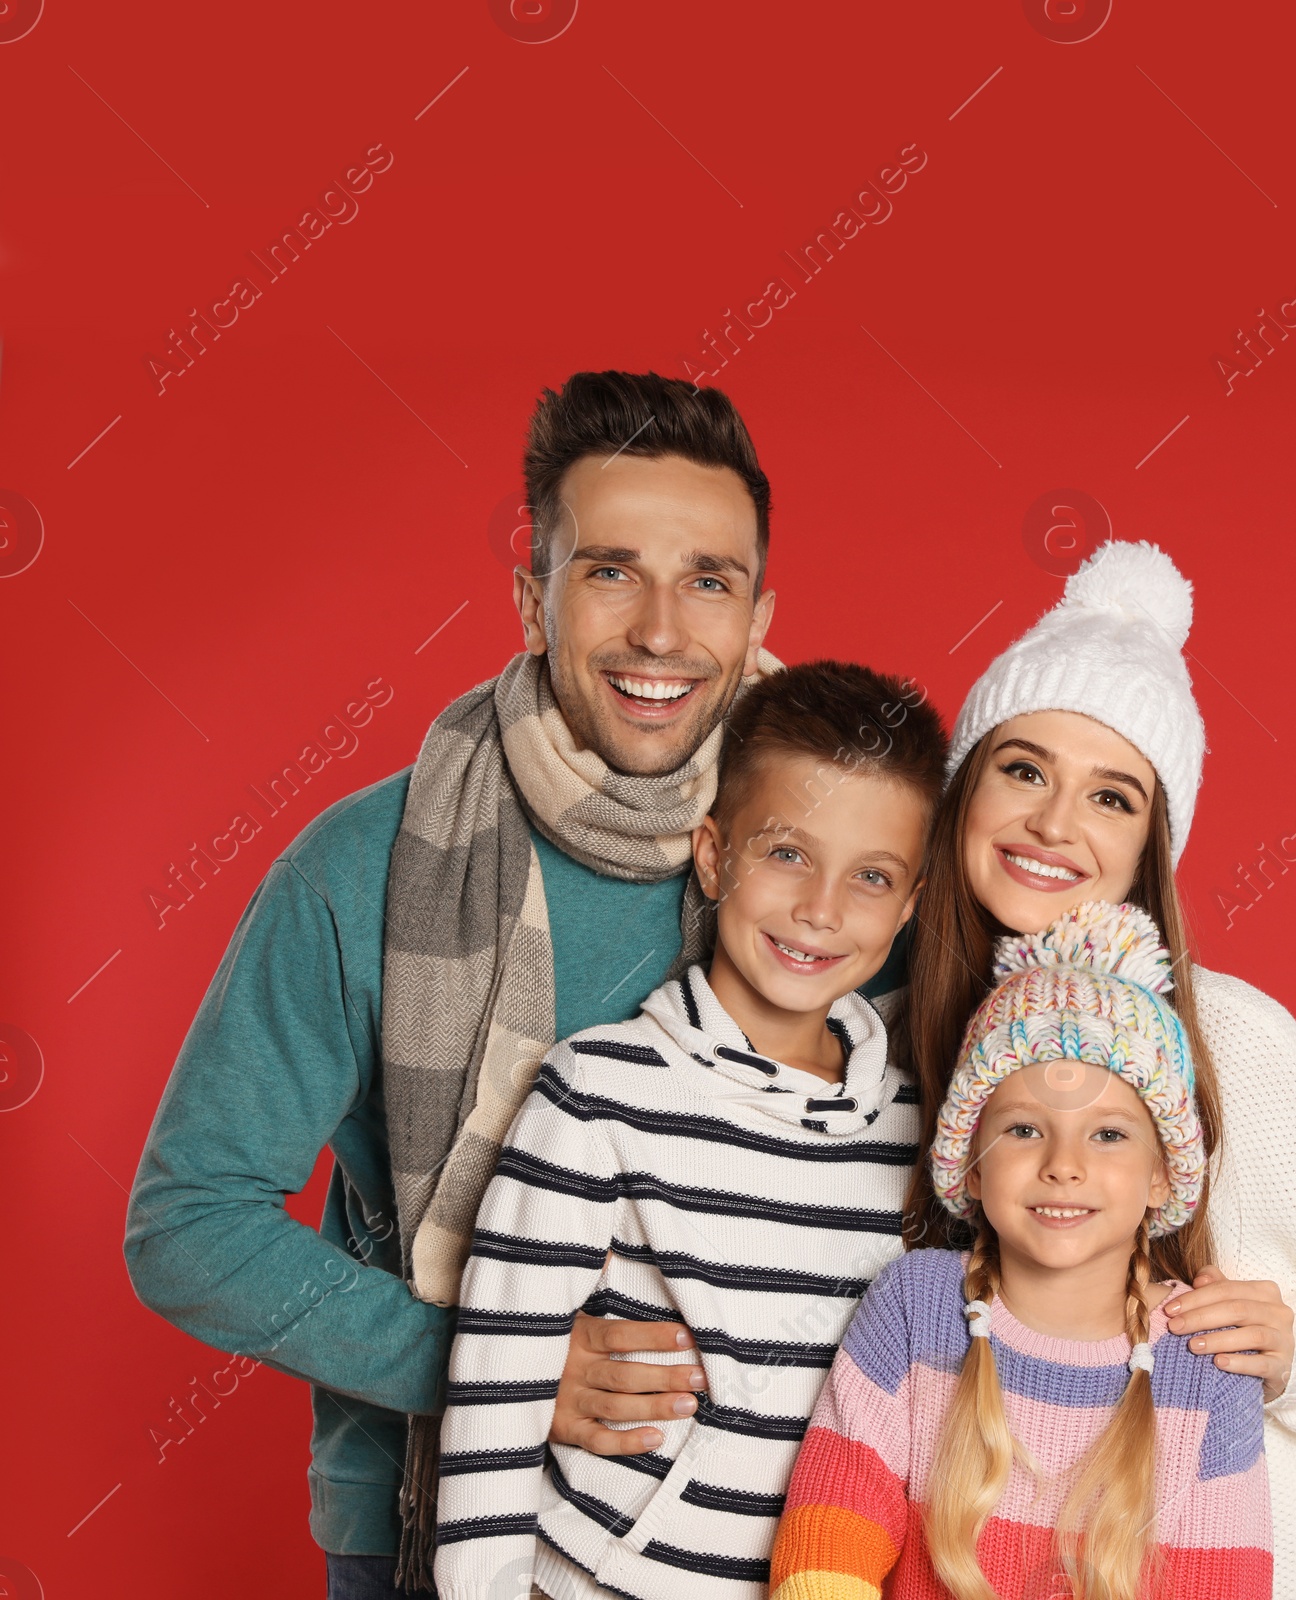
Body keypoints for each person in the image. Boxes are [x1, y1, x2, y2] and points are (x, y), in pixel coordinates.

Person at [123, 370, 875, 1598]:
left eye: (708, 581)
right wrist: (498, 1363)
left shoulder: (842, 879)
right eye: (610, 570)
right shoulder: (362, 867)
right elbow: (187, 1222)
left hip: (770, 1523)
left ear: (757, 611)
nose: (660, 632)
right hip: (423, 1516)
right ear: (534, 600)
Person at [896, 539, 1296, 1600]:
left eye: (1111, 797)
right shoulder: (890, 1039)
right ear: (962, 789)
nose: (1054, 824)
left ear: (1154, 840)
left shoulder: (1224, 1039)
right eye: (1022, 769)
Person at [431, 661, 946, 1600]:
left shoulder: (921, 1135)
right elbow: (496, 1389)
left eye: (871, 876)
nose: (821, 908)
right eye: (786, 853)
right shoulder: (599, 1093)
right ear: (714, 856)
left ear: (910, 906)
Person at [772, 899, 1273, 1600]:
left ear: (1162, 1174)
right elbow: (828, 1543)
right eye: (1024, 1130)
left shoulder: (1203, 1363)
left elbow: (1226, 1583)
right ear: (972, 1163)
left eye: (1108, 1135)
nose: (1063, 1165)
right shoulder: (917, 1308)